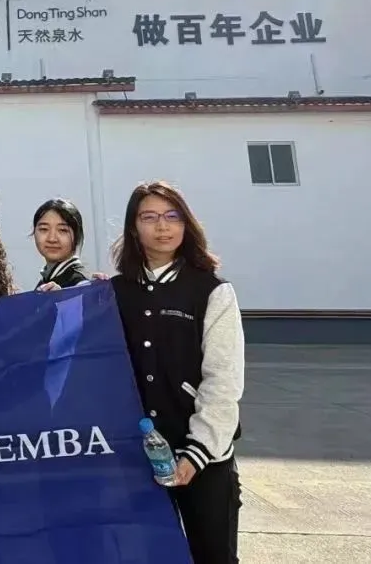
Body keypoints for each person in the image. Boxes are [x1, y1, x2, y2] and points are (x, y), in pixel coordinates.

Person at [109, 180, 245, 564]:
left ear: (187, 224)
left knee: (212, 556)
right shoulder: (114, 292)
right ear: (134, 227)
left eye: (172, 216)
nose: (162, 227)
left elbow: (223, 381)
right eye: (149, 217)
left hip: (202, 459)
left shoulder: (212, 291)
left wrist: (196, 452)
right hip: (138, 458)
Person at [32, 198, 90, 291]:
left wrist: (61, 297)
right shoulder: (45, 280)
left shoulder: (81, 284)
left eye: (63, 230)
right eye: (44, 229)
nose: (52, 239)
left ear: (77, 236)